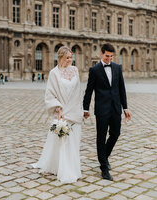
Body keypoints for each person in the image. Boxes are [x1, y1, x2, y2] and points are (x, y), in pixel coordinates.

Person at [32, 46, 83, 183]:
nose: (70, 60)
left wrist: (80, 108)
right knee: (63, 142)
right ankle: (63, 168)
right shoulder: (54, 73)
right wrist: (58, 109)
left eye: (71, 57)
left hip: (74, 110)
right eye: (67, 58)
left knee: (73, 141)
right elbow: (50, 94)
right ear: (60, 57)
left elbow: (78, 91)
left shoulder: (75, 70)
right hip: (62, 111)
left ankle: (73, 167)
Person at [83, 43, 131, 181]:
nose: (109, 59)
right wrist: (85, 108)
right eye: (107, 56)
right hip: (102, 109)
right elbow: (89, 91)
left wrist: (125, 108)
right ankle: (104, 168)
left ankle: (103, 156)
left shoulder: (117, 68)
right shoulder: (95, 70)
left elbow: (122, 89)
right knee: (101, 137)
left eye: (111, 56)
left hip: (116, 108)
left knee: (116, 134)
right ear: (101, 54)